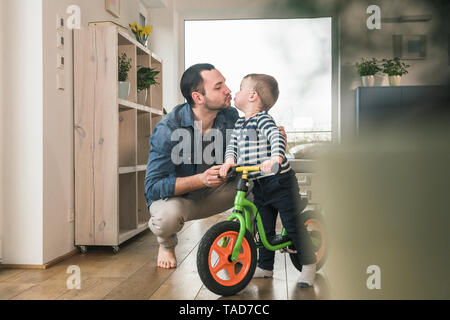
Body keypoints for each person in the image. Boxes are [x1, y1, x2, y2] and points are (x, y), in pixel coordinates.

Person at [145, 64, 286, 269]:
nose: (228, 90)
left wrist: (275, 143)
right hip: (182, 200)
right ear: (198, 97)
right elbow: (153, 187)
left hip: (218, 191)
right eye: (219, 87)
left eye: (225, 84)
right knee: (165, 219)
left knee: (261, 183)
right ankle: (166, 245)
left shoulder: (230, 116)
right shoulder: (169, 128)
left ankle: (238, 239)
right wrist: (200, 179)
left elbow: (252, 148)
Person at [218, 74, 317, 287]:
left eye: (240, 88)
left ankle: (308, 265)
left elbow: (275, 137)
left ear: (252, 96)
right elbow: (232, 146)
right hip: (259, 182)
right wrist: (228, 161)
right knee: (264, 225)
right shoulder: (239, 123)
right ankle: (265, 267)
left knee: (292, 224)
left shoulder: (262, 119)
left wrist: (275, 158)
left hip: (279, 180)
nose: (235, 92)